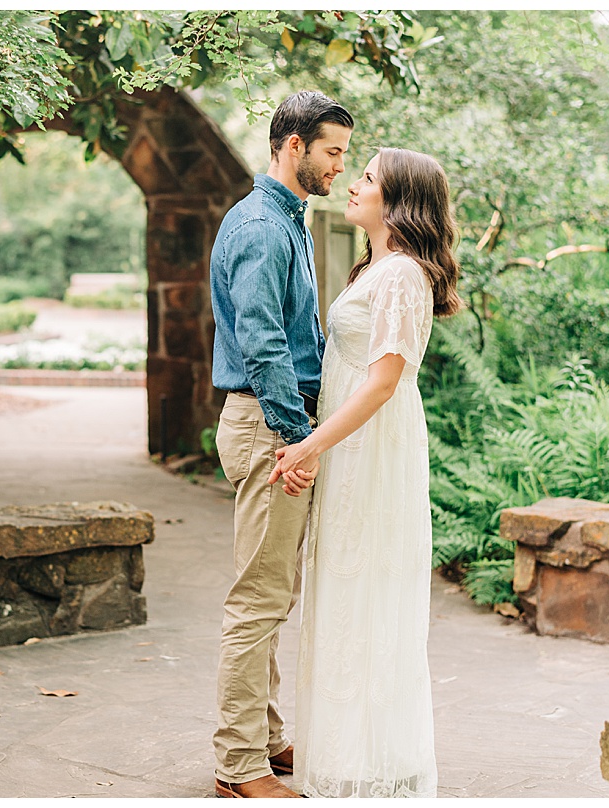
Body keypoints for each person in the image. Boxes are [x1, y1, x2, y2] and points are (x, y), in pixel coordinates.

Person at [269, 147, 463, 797]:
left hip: (371, 449)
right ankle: (348, 750)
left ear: (399, 200)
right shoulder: (373, 269)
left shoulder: (405, 275)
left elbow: (383, 384)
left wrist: (309, 448)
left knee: (367, 593)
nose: (353, 185)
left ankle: (372, 762)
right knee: (344, 591)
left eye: (368, 179)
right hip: (349, 445)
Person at [209, 90, 354, 799]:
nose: (339, 167)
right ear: (293, 146)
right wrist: (299, 441)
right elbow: (263, 344)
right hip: (272, 427)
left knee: (270, 593)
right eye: (332, 152)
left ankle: (265, 740)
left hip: (277, 425)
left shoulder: (287, 220)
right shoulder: (265, 228)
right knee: (258, 601)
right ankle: (239, 767)